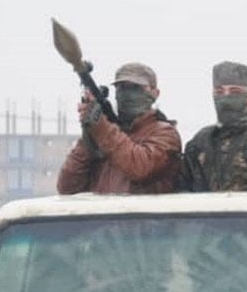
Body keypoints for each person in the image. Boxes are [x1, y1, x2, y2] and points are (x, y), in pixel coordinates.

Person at [57, 62, 182, 195]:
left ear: (155, 93)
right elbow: (67, 187)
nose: (127, 93)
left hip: (141, 210)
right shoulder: (108, 133)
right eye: (121, 87)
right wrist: (88, 138)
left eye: (135, 87)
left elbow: (140, 168)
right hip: (102, 208)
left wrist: (101, 127)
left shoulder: (165, 134)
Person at [176, 61, 247, 192]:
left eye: (235, 91)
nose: (226, 97)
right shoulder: (202, 140)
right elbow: (183, 186)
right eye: (219, 91)